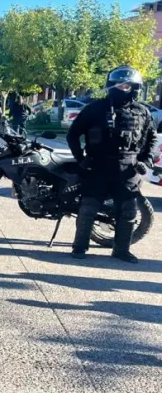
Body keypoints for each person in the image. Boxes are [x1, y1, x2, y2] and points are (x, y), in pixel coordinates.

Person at [66, 65, 155, 263]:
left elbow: (151, 138)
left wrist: (146, 160)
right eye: (119, 85)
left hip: (128, 169)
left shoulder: (142, 112)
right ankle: (79, 247)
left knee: (128, 211)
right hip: (98, 166)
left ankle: (121, 250)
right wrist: (81, 159)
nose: (124, 88)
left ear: (135, 87)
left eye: (128, 85)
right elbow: (73, 134)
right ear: (111, 85)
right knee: (88, 208)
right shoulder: (95, 108)